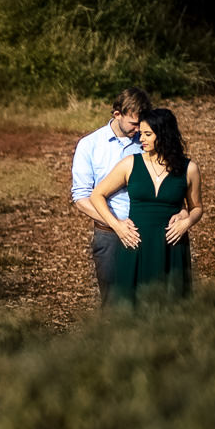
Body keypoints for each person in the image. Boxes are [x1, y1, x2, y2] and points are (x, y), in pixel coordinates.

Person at [87, 107, 203, 307]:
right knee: (130, 307)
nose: (141, 139)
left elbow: (197, 207)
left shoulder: (189, 169)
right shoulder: (130, 164)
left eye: (148, 134)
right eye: (141, 133)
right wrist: (117, 225)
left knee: (172, 308)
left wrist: (187, 222)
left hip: (172, 247)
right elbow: (97, 195)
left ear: (164, 134)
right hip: (135, 245)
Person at [71, 88, 152, 305]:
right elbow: (81, 198)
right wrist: (116, 225)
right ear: (117, 115)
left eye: (141, 124)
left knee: (149, 300)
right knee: (114, 303)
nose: (138, 130)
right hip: (109, 235)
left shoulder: (147, 142)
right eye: (134, 124)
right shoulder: (90, 145)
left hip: (147, 231)